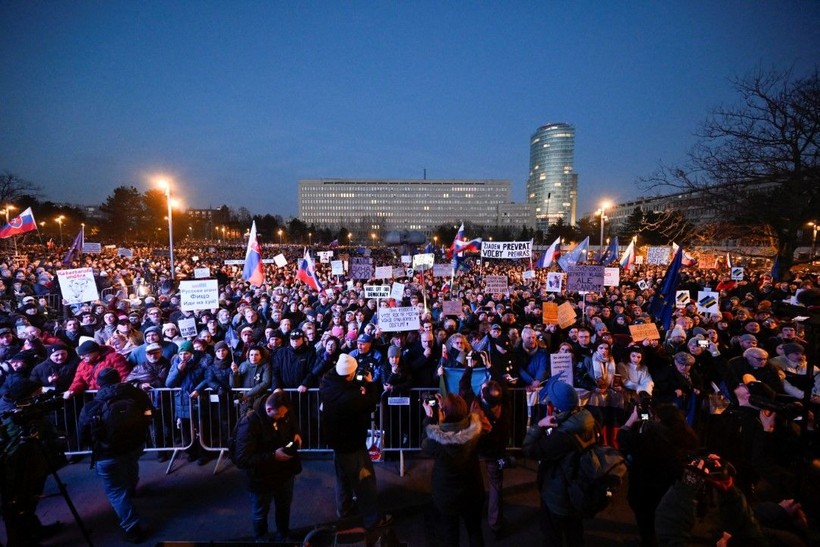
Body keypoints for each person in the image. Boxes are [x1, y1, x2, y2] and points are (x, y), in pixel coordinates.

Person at [319, 353, 392, 539]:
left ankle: (344, 510)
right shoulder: (350, 396)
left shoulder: (328, 382)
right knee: (364, 481)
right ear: (350, 375)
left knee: (342, 477)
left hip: (337, 442)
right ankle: (373, 519)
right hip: (352, 443)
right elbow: (369, 403)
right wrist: (368, 383)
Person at [78, 368, 153, 543]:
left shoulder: (92, 405)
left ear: (99, 383)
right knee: (131, 464)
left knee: (116, 492)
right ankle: (131, 487)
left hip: (107, 453)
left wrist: (95, 444)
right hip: (135, 444)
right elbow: (149, 412)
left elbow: (83, 433)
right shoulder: (136, 394)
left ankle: (131, 527)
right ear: (119, 378)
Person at [523, 376, 597, 547]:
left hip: (558, 495)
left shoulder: (562, 437)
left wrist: (539, 426)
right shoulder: (587, 419)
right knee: (575, 533)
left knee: (553, 535)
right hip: (578, 489)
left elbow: (529, 450)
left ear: (557, 407)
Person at [617, 403, 699, 547]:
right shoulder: (687, 438)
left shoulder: (649, 438)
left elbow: (623, 438)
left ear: (659, 419)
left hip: (645, 490)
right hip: (671, 491)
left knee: (647, 523)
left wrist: (631, 419)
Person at [0, 379, 64, 546]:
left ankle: (34, 529)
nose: (40, 396)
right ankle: (21, 540)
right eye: (37, 393)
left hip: (32, 465)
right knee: (19, 505)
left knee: (28, 502)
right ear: (26, 397)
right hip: (21, 470)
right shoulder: (13, 418)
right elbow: (16, 450)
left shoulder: (24, 410)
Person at [233, 391, 303, 542]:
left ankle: (283, 535)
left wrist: (296, 432)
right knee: (260, 512)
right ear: (269, 410)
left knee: (284, 508)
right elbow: (242, 458)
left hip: (284, 473)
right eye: (280, 415)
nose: (283, 417)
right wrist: (272, 456)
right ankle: (261, 537)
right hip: (261, 478)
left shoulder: (282, 410)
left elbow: (290, 420)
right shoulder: (249, 423)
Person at [422, 392, 486, 547]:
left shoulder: (435, 441)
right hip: (472, 491)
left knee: (450, 534)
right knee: (475, 531)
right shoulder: (476, 432)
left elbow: (425, 443)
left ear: (442, 413)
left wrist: (430, 418)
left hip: (446, 495)